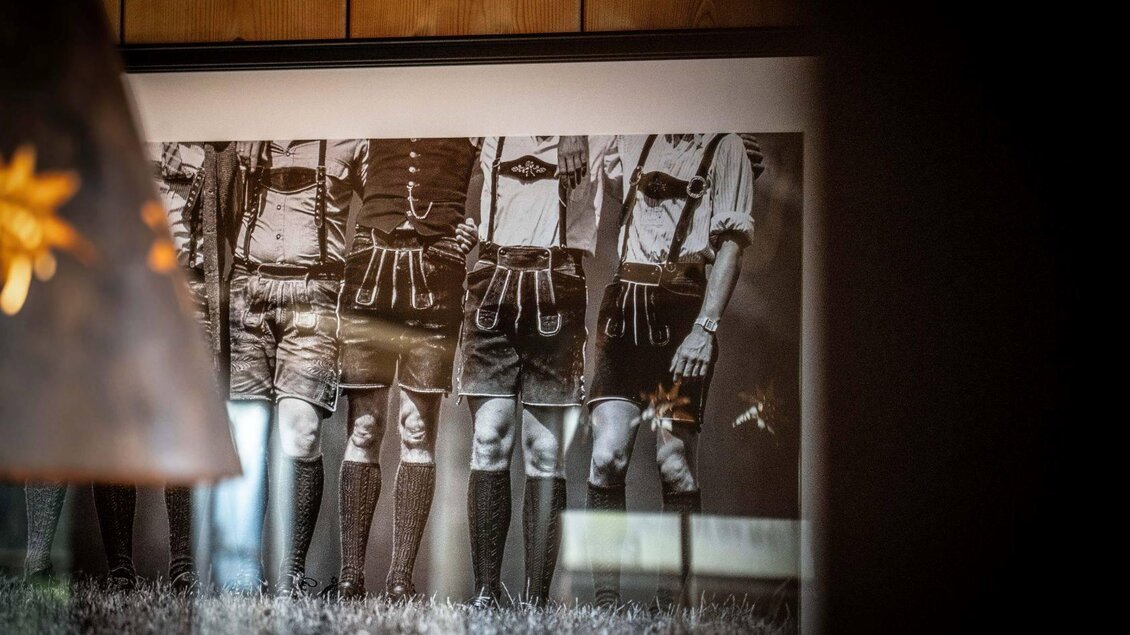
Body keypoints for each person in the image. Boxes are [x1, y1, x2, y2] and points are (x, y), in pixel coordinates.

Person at [586, 133, 756, 609]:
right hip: (624, 312)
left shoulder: (728, 147)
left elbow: (732, 248)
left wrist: (705, 328)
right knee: (606, 456)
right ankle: (604, 605)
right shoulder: (632, 133)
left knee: (675, 463)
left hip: (680, 316)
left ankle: (672, 605)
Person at [457, 135, 609, 607]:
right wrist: (455, 225)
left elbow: (663, 132)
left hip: (557, 284)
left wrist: (728, 141)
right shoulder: (492, 121)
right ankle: (486, 592)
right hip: (492, 281)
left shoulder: (599, 127)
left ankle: (536, 601)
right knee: (489, 439)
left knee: (545, 452)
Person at [333, 137, 478, 601]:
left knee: (416, 429)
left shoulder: (477, 118)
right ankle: (351, 578)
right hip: (370, 262)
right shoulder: (374, 104)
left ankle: (400, 580)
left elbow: (503, 173)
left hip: (437, 270)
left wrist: (479, 227)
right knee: (364, 427)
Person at [230, 139, 371, 598]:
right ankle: (243, 571)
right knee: (246, 439)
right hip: (248, 291)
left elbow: (387, 206)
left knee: (302, 432)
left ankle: (290, 572)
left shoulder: (353, 138)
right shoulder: (241, 130)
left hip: (315, 297)